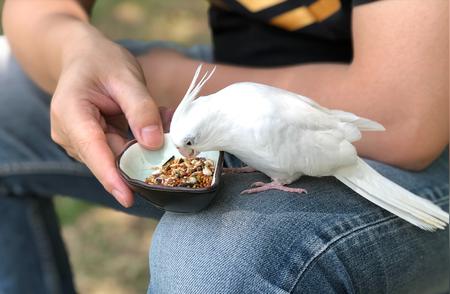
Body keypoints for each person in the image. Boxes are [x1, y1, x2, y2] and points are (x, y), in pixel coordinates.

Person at [1, 0, 448, 293]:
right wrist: (75, 50)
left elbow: (405, 121)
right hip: (241, 83)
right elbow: (37, 10)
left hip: (412, 130)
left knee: (208, 266)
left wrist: (147, 72)